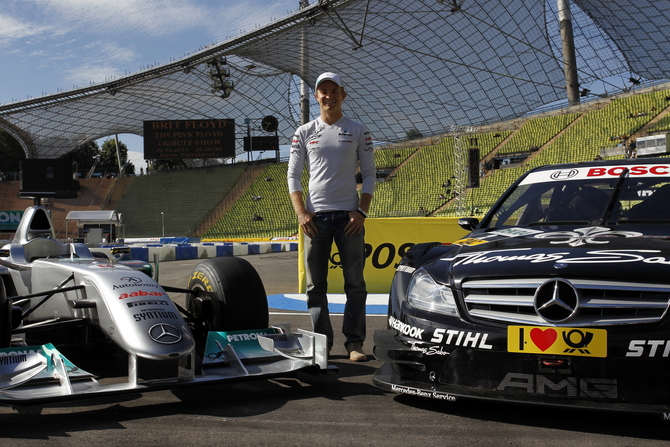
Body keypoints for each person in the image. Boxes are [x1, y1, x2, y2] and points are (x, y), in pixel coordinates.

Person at [287, 72, 375, 361]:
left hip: (350, 219)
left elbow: (371, 174)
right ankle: (322, 344)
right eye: (323, 91)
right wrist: (301, 213)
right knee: (315, 286)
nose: (329, 95)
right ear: (316, 97)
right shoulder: (303, 132)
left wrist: (362, 211)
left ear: (343, 95)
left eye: (334, 90)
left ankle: (355, 344)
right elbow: (292, 175)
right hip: (315, 219)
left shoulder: (359, 130)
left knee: (355, 284)